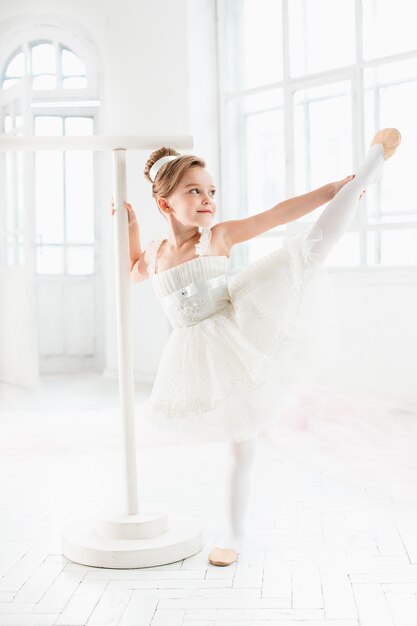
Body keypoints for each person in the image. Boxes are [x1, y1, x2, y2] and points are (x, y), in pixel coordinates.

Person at [111, 128, 401, 567]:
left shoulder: (218, 237)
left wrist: (330, 190)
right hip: (195, 354)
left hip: (237, 329)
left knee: (307, 253)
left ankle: (363, 176)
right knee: (235, 439)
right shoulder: (155, 254)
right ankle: (233, 529)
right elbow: (131, 270)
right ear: (165, 203)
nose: (208, 199)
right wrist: (130, 230)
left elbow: (275, 215)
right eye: (195, 191)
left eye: (211, 191)